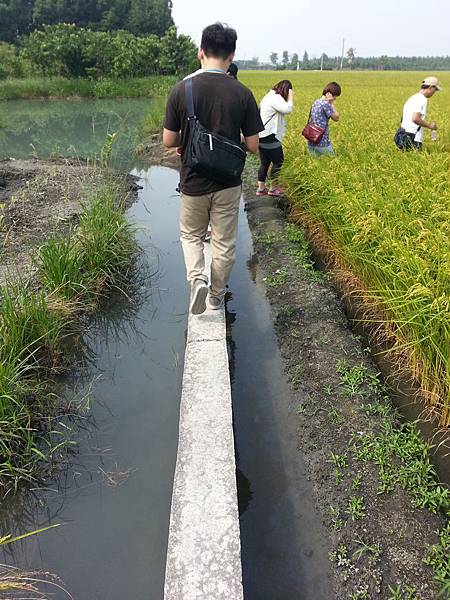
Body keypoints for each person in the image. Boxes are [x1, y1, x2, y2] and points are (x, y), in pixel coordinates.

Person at [163, 23, 263, 314]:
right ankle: (217, 295)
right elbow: (254, 145)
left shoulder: (183, 89)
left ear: (201, 53)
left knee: (192, 235)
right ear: (232, 55)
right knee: (224, 241)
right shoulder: (242, 93)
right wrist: (229, 140)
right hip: (228, 182)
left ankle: (197, 280)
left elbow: (169, 140)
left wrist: (193, 140)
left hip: (193, 180)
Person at [256, 80, 294, 196]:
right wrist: (291, 98)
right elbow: (288, 109)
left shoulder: (269, 96)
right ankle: (273, 189)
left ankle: (261, 189)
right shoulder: (276, 98)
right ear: (286, 90)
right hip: (269, 136)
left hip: (262, 135)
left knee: (265, 163)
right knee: (279, 161)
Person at [399, 76, 441, 151]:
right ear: (431, 87)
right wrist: (430, 126)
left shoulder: (412, 98)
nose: (434, 93)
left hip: (403, 135)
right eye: (435, 90)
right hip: (413, 138)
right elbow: (415, 118)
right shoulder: (422, 99)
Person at [307, 82, 341, 156]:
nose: (335, 98)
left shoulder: (316, 101)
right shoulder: (326, 104)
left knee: (315, 165)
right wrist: (331, 103)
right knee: (332, 162)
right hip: (322, 142)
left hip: (311, 140)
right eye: (335, 95)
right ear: (329, 93)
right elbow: (336, 118)